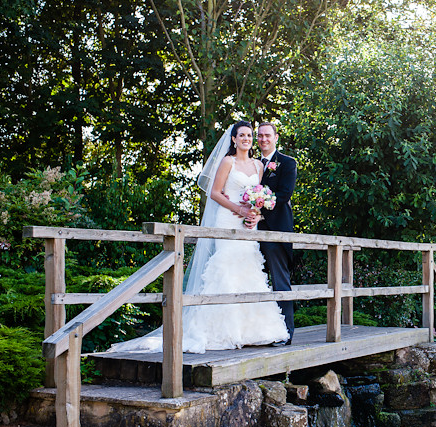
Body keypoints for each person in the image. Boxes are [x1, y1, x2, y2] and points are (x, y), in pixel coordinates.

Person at [107, 121, 289, 354]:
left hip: (247, 226)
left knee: (249, 268)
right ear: (233, 139)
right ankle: (224, 329)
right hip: (227, 219)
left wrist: (254, 214)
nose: (246, 138)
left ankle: (251, 330)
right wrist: (238, 208)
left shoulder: (258, 166)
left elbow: (259, 197)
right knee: (226, 268)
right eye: (241, 135)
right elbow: (214, 193)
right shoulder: (227, 162)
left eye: (249, 135)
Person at [256, 120, 297, 344]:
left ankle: (286, 332)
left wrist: (260, 211)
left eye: (267, 135)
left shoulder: (287, 163)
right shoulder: (252, 164)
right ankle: (259, 331)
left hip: (275, 230)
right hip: (249, 231)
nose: (263, 139)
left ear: (275, 137)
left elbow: (283, 195)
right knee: (253, 280)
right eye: (260, 135)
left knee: (280, 281)